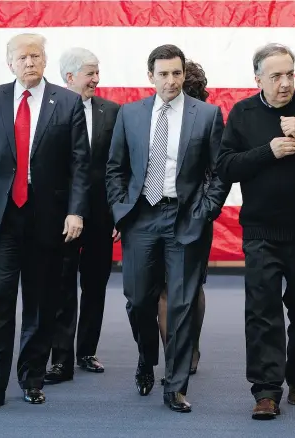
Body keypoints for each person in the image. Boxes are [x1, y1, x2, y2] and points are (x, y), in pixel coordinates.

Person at [0, 33, 90, 410]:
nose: (30, 62)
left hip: (47, 216)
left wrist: (76, 210)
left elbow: (80, 163)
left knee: (40, 301)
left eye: (36, 55)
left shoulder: (67, 102)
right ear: (10, 63)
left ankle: (32, 378)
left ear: (46, 60)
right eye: (22, 57)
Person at [216, 43, 295, 420]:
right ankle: (266, 391)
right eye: (276, 76)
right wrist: (267, 151)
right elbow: (226, 167)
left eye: (290, 74)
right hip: (262, 232)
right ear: (258, 79)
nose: (285, 83)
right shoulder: (243, 113)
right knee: (262, 313)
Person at [106, 44, 229, 413]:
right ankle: (146, 359)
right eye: (163, 74)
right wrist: (119, 210)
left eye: (176, 73)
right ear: (150, 76)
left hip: (186, 218)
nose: (171, 81)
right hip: (141, 218)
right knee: (138, 300)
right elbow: (115, 168)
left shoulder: (207, 115)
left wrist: (206, 209)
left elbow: (220, 170)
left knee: (181, 303)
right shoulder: (129, 114)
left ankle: (175, 386)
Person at [44, 48, 120, 384]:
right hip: (62, 215)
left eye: (97, 72)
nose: (96, 79)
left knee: (95, 284)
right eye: (90, 73)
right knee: (61, 284)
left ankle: (86, 350)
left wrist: (120, 214)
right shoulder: (51, 109)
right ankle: (60, 359)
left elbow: (121, 168)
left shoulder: (112, 112)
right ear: (70, 77)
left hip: (102, 215)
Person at [158, 61, 211, 382]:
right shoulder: (154, 116)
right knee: (189, 286)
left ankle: (178, 353)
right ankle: (186, 350)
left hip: (190, 214)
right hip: (175, 214)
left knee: (171, 289)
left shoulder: (205, 118)